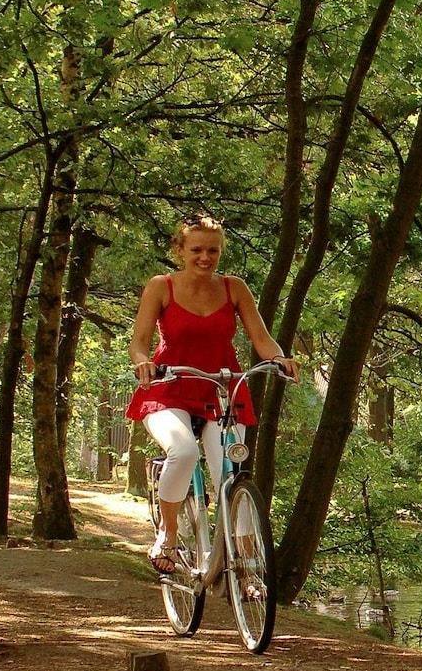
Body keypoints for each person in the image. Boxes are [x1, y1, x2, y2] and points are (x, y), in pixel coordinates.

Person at [126, 214, 295, 573]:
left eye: (213, 251)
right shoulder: (161, 286)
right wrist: (143, 362)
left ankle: (246, 565)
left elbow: (262, 339)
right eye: (197, 250)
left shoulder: (235, 288)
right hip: (169, 387)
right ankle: (168, 534)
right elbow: (138, 342)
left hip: (223, 389)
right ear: (180, 250)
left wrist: (279, 359)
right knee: (184, 450)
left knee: (229, 475)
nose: (205, 257)